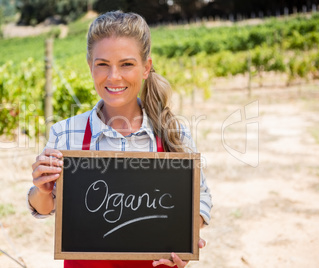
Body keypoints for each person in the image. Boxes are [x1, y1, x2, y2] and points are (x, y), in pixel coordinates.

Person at [28, 11, 212, 268]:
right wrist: (41, 189)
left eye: (126, 64)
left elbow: (201, 197)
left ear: (146, 67)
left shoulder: (173, 133)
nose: (114, 76)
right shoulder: (66, 133)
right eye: (103, 64)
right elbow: (44, 207)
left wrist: (184, 237)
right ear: (90, 65)